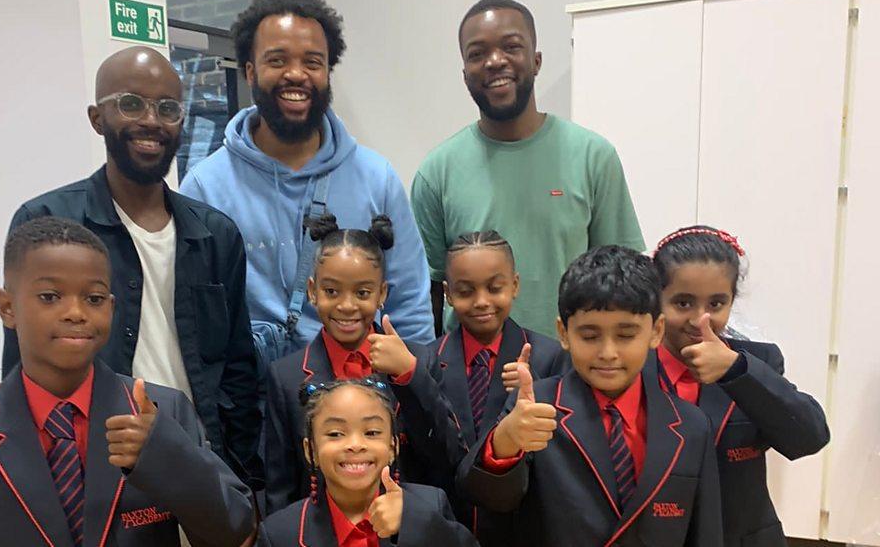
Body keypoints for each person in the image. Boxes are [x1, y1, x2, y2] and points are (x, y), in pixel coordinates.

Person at [2, 46, 261, 486]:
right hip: (90, 464)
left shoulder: (216, 235)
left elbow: (239, 373)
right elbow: (19, 370)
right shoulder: (47, 225)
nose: (151, 121)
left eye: (167, 108)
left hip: (198, 464)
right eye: (130, 103)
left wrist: (245, 487)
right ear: (97, 118)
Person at [0, 217, 255, 547]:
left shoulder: (161, 411)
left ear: (112, 308)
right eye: (49, 296)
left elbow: (234, 530)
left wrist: (167, 456)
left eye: (94, 298)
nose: (75, 312)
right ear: (7, 307)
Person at [179, 0, 434, 363]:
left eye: (312, 62)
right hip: (252, 404)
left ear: (328, 72)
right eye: (277, 60)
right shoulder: (205, 187)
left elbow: (409, 302)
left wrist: (414, 392)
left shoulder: (376, 178)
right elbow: (193, 318)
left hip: (359, 402)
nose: (296, 74)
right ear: (250, 71)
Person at [412, 0, 644, 338]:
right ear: (465, 75)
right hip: (472, 380)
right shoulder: (436, 173)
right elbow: (427, 293)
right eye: (477, 54)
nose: (494, 61)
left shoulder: (593, 156)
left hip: (570, 373)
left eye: (511, 46)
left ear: (536, 61)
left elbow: (621, 279)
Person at [458, 246, 723, 546]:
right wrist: (505, 443)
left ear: (656, 331)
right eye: (589, 335)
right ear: (563, 333)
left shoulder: (691, 425)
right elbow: (487, 499)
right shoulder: (536, 406)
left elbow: (705, 533)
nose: (607, 353)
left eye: (626, 335)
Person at [264, 215, 464, 514]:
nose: (347, 306)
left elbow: (448, 457)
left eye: (362, 293)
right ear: (312, 291)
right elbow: (280, 486)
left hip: (408, 525)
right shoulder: (286, 377)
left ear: (382, 293)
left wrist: (410, 376)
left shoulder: (418, 360)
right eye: (331, 291)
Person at [652, 226, 829, 547]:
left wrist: (738, 372)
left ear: (732, 300)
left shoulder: (757, 362)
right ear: (656, 300)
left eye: (716, 304)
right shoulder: (633, 367)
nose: (700, 320)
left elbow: (809, 437)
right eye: (682, 303)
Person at [432, 230, 565, 545]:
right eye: (466, 291)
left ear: (515, 285)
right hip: (447, 526)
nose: (482, 302)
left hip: (523, 528)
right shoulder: (426, 361)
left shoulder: (550, 358)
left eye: (494, 288)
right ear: (448, 293)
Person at [258, 380, 478, 546]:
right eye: (335, 434)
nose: (355, 444)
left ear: (393, 447)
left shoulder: (430, 505)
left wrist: (415, 520)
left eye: (371, 432)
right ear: (310, 450)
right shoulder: (279, 533)